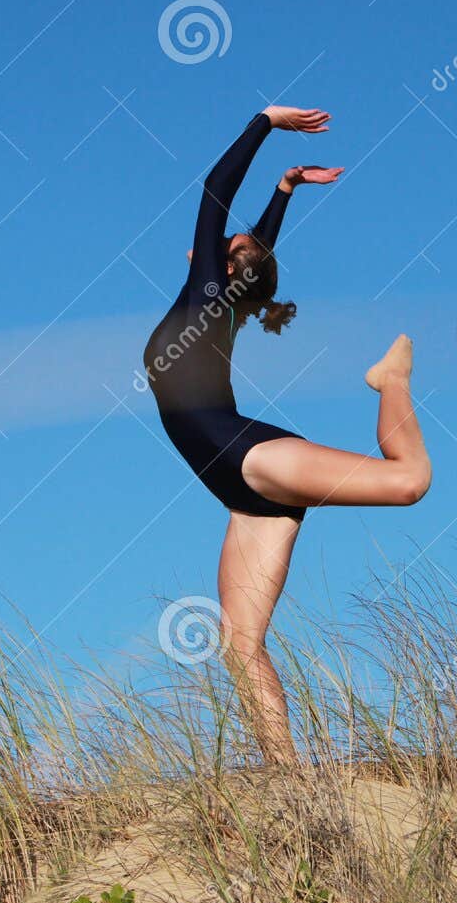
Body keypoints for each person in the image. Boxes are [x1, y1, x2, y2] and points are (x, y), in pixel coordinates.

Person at [143, 105, 433, 764]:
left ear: (227, 261)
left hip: (250, 455)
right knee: (239, 643)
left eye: (232, 239)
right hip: (239, 490)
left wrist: (262, 122)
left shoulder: (210, 289)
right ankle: (286, 780)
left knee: (409, 479)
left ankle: (392, 378)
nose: (225, 234)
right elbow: (256, 248)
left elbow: (214, 192)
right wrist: (283, 191)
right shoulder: (224, 292)